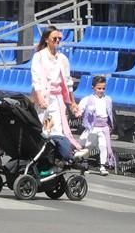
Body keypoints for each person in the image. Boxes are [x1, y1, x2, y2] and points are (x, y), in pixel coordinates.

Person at [30, 26, 83, 154]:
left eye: (60, 38)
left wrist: (72, 102)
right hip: (43, 97)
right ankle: (39, 153)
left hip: (57, 98)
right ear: (47, 39)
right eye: (55, 38)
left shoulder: (62, 58)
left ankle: (59, 155)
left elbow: (67, 81)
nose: (57, 40)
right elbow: (36, 78)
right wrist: (40, 98)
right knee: (42, 127)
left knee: (58, 128)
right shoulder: (39, 56)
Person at [76, 75, 116, 175]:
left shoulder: (108, 99)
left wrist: (110, 125)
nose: (101, 90)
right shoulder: (87, 99)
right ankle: (84, 164)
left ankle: (103, 166)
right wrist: (79, 112)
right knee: (88, 145)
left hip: (103, 127)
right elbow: (80, 108)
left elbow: (109, 113)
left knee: (104, 146)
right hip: (92, 127)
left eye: (103, 88)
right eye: (99, 88)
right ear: (93, 87)